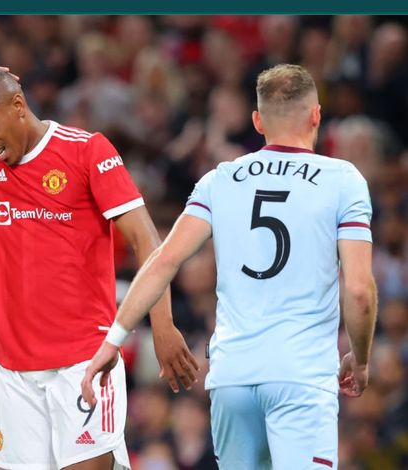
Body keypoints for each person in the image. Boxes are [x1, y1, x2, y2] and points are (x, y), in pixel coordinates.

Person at [0, 66, 199, 470]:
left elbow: (146, 238)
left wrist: (163, 326)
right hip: (14, 372)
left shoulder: (86, 151)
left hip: (84, 361)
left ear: (18, 104)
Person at [82, 64, 377, 470]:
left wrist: (113, 340)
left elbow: (163, 260)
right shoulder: (343, 180)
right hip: (301, 375)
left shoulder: (220, 180)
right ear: (316, 115)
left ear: (257, 121)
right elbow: (359, 290)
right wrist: (359, 360)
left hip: (232, 375)